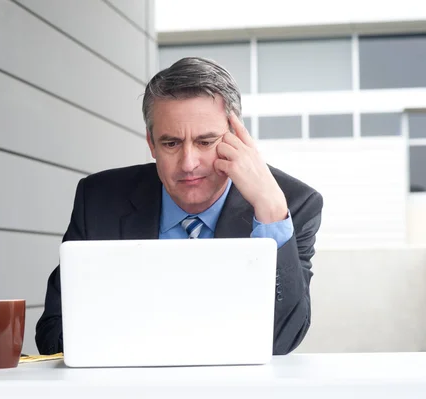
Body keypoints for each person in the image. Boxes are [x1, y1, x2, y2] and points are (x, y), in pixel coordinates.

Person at [35, 57, 323, 356]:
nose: (188, 164)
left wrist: (271, 211)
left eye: (205, 141)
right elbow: (53, 334)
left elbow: (282, 340)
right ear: (151, 143)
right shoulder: (99, 198)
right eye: (171, 143)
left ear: (236, 139)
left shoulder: (294, 203)